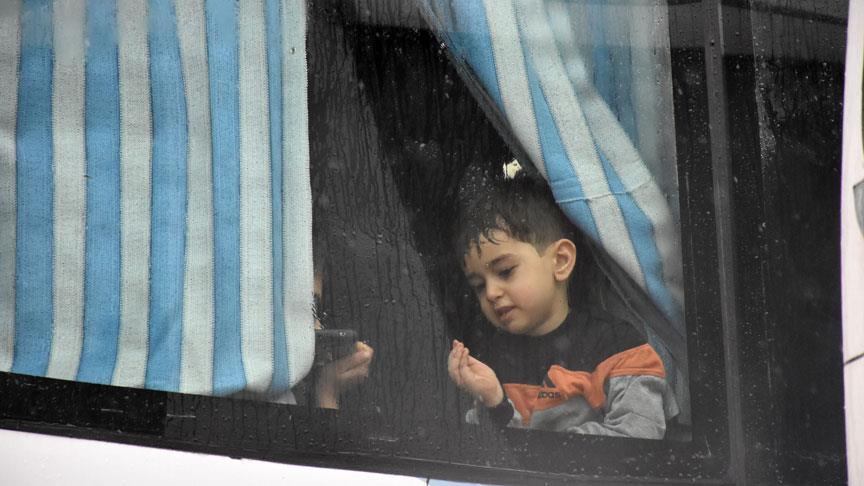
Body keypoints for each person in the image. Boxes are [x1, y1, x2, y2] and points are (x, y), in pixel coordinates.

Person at [447, 160, 678, 439]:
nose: (491, 293)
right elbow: (487, 449)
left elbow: (640, 436)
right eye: (478, 286)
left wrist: (547, 443)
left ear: (560, 261)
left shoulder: (619, 346)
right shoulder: (490, 358)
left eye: (505, 271)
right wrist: (494, 402)